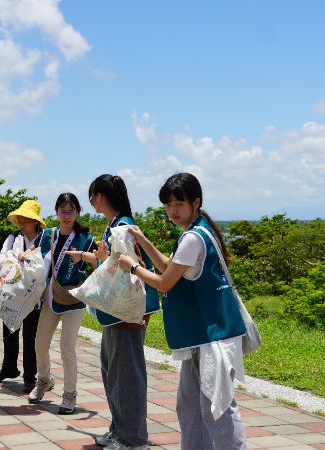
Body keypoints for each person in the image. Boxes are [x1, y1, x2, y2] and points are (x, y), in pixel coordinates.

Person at [116, 173, 247, 449]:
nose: (172, 210)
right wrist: (143, 240)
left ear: (196, 202)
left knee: (217, 409)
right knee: (189, 405)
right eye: (168, 204)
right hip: (202, 336)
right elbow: (168, 266)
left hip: (211, 339)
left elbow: (165, 282)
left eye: (179, 204)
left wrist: (134, 268)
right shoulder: (199, 232)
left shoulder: (192, 239)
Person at [75, 175, 160, 449]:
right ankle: (119, 430)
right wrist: (98, 258)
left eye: (92, 195)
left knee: (127, 377)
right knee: (113, 373)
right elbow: (114, 265)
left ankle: (133, 439)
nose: (91, 201)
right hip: (115, 311)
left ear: (100, 196)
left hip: (126, 312)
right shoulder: (115, 225)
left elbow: (131, 269)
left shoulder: (123, 227)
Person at [28, 193, 96, 415]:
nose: (66, 215)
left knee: (67, 347)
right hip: (51, 297)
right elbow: (35, 251)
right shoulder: (49, 234)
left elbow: (100, 261)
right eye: (63, 211)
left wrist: (83, 256)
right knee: (40, 344)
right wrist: (23, 254)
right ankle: (44, 379)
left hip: (75, 298)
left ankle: (69, 394)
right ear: (56, 212)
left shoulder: (85, 238)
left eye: (71, 211)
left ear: (77, 212)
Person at [0, 200, 45, 394]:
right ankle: (9, 367)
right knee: (9, 332)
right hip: (12, 294)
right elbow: (1, 258)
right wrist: (15, 258)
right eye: (19, 219)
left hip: (34, 297)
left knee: (31, 337)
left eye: (26, 220)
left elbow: (46, 263)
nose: (21, 223)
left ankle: (30, 376)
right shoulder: (13, 238)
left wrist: (27, 258)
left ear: (35, 221)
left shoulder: (44, 240)